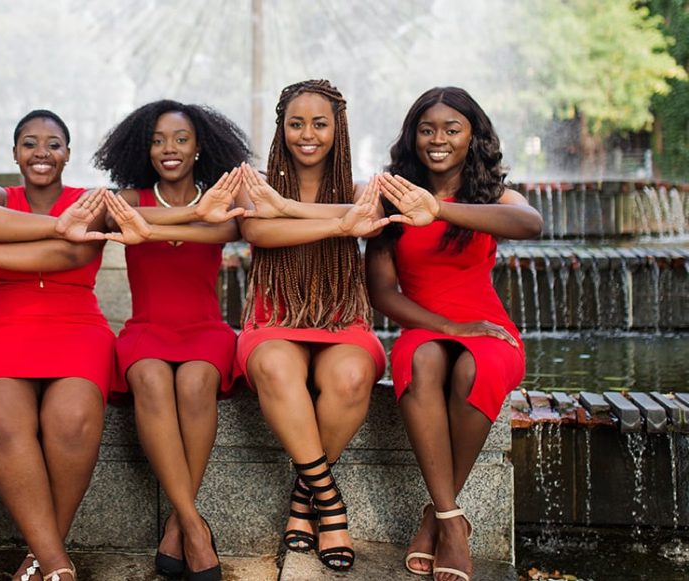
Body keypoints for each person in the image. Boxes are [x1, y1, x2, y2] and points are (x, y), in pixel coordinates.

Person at [365, 87, 543, 581]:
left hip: (487, 327)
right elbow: (381, 292)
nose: (437, 139)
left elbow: (531, 223)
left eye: (451, 129)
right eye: (427, 130)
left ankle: (435, 516)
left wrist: (440, 210)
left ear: (473, 137)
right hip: (425, 324)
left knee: (475, 366)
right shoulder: (391, 197)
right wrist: (446, 326)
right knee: (422, 362)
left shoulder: (489, 196)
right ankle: (453, 522)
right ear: (412, 137)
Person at [0, 109, 112, 581]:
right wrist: (57, 224)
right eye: (30, 143)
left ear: (68, 154)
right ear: (15, 153)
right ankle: (56, 562)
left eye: (53, 144)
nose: (42, 153)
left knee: (72, 420)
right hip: (7, 325)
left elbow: (71, 253)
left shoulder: (89, 201)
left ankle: (42, 557)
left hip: (77, 324)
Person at [233, 79, 390, 573]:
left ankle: (303, 502)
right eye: (295, 123)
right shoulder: (254, 185)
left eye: (319, 124)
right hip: (274, 318)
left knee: (351, 377)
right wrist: (341, 223)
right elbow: (258, 229)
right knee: (278, 368)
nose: (307, 134)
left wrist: (297, 210)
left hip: (341, 319)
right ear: (281, 127)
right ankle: (330, 504)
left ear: (337, 128)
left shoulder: (363, 190)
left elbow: (370, 215)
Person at [91, 99, 252, 580]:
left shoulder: (221, 203)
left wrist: (191, 214)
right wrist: (191, 214)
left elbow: (224, 228)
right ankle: (193, 526)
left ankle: (179, 524)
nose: (169, 149)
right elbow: (119, 224)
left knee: (196, 385)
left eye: (181, 139)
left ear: (199, 146)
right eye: (159, 140)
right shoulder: (127, 200)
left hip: (205, 329)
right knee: (151, 381)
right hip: (145, 329)